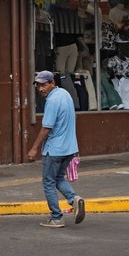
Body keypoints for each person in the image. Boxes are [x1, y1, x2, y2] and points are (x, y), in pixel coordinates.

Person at [28, 70, 85, 228]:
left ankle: (56, 217)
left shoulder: (52, 101)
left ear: (52, 83)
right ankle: (74, 199)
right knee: (58, 178)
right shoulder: (65, 94)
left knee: (48, 182)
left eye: (44, 85)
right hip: (69, 148)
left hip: (54, 150)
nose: (40, 89)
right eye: (38, 86)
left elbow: (46, 128)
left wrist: (34, 148)